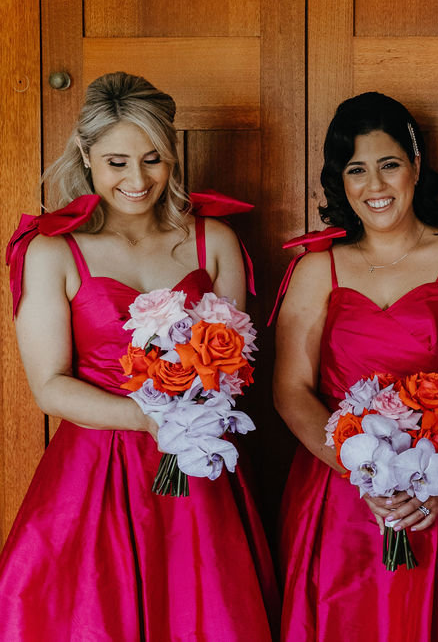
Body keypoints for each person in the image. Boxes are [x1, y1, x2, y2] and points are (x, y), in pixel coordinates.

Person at [0, 72, 277, 640]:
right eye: (117, 161)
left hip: (199, 472)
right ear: (86, 155)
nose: (136, 178)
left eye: (153, 159)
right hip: (93, 473)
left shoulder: (213, 241)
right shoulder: (52, 251)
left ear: (173, 156)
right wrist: (148, 417)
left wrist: (193, 405)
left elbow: (236, 368)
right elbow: (48, 385)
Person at [272, 92, 438, 641]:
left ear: (415, 166)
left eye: (389, 165)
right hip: (343, 498)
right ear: (339, 182)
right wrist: (362, 476)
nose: (375, 185)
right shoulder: (318, 269)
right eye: (356, 170)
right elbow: (291, 390)